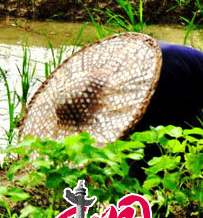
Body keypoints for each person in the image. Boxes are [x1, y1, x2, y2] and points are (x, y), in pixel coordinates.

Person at [20, 32, 203, 174]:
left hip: (180, 80)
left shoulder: (161, 81)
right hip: (170, 81)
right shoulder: (124, 88)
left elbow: (171, 134)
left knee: (181, 139)